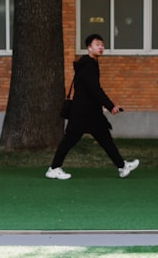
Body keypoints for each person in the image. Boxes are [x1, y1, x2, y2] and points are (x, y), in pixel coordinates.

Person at [46, 34, 140, 180]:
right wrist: (110, 106)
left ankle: (122, 166)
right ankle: (53, 168)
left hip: (91, 113)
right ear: (89, 47)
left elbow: (93, 90)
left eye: (102, 45)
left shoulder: (90, 63)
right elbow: (95, 89)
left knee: (105, 139)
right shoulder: (88, 65)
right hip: (82, 113)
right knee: (69, 140)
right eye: (97, 44)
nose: (101, 47)